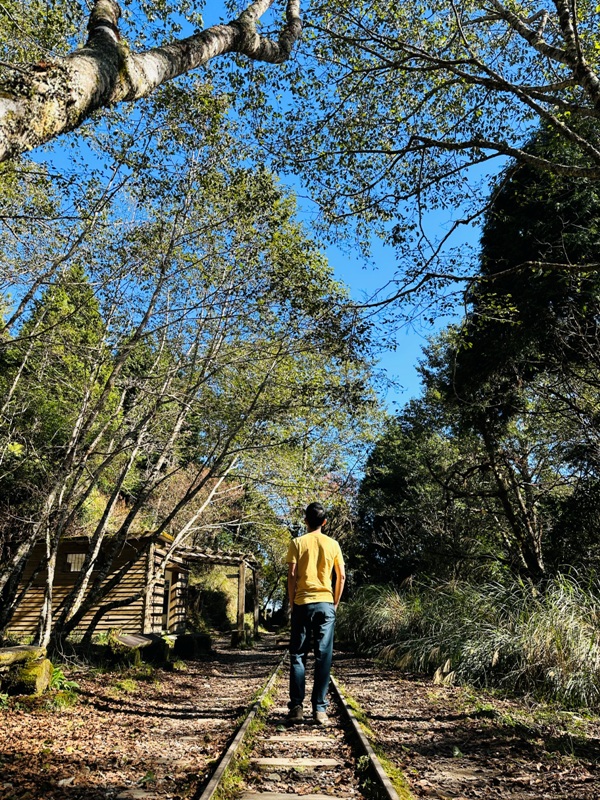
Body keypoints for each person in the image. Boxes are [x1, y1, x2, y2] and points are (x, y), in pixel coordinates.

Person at [286, 502, 346, 725]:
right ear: (325, 522)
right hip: (325, 604)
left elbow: (292, 575)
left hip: (302, 604)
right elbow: (341, 577)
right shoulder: (333, 545)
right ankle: (320, 710)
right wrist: (335, 603)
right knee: (324, 656)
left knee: (298, 655)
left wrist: (293, 602)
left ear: (305, 521)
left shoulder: (297, 543)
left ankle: (296, 708)